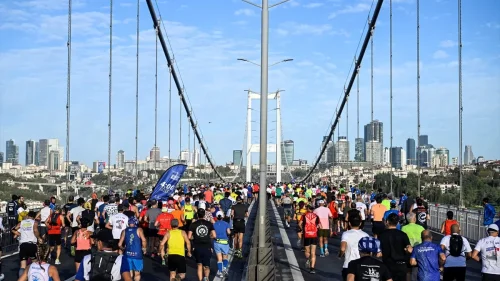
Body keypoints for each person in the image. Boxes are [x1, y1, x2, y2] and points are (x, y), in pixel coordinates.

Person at [378, 213, 413, 281]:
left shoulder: (382, 235)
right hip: (401, 264)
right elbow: (409, 248)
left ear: (387, 222)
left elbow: (379, 250)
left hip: (387, 264)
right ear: (397, 223)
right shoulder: (403, 235)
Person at [339, 211, 369, 281]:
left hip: (348, 265)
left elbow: (343, 248)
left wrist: (340, 255)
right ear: (360, 223)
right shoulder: (366, 235)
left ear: (349, 223)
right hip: (362, 265)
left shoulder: (346, 234)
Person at [12, 211, 43, 278]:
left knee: (23, 265)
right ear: (34, 217)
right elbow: (35, 230)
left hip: (23, 244)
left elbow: (13, 229)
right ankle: (35, 277)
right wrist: (39, 238)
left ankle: (21, 279)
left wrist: (20, 234)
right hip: (31, 244)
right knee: (35, 263)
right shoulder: (34, 222)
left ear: (28, 215)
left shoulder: (22, 222)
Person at [188, 209, 216, 281]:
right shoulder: (209, 224)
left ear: (197, 215)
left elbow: (189, 236)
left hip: (197, 246)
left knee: (199, 265)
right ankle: (206, 277)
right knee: (206, 265)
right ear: (204, 215)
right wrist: (207, 237)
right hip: (207, 246)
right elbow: (214, 235)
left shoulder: (193, 224)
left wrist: (195, 237)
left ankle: (200, 280)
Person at [119, 216, 146, 281]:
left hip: (127, 254)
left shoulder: (124, 231)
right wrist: (144, 248)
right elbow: (144, 240)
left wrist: (123, 249)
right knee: (137, 273)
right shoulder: (139, 229)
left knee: (129, 273)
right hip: (137, 254)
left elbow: (119, 244)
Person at [301, 205, 319, 274]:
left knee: (307, 251)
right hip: (314, 235)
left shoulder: (304, 216)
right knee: (313, 253)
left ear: (308, 209)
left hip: (307, 235)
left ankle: (308, 259)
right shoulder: (316, 216)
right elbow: (318, 225)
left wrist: (302, 229)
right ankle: (312, 268)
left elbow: (300, 224)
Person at [213, 211, 231, 277]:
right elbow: (228, 232)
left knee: (219, 258)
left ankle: (220, 272)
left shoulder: (214, 225)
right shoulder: (226, 223)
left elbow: (213, 234)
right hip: (225, 242)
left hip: (217, 242)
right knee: (225, 257)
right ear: (222, 217)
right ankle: (224, 268)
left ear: (216, 217)